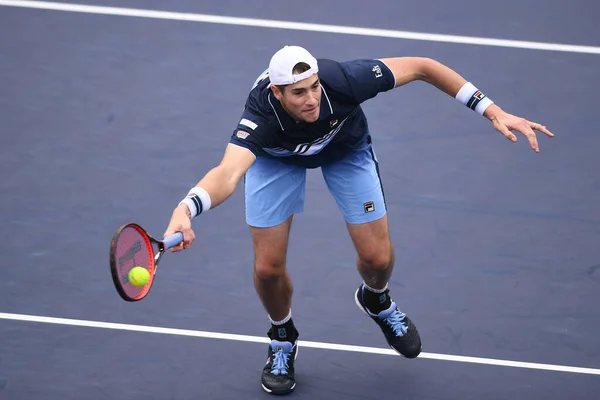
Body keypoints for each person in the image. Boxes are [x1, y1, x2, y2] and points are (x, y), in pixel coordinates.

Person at [163, 45, 554, 395]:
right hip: (276, 160)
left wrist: (492, 110)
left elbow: (422, 66)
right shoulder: (260, 117)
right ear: (276, 93)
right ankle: (282, 336)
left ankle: (376, 300)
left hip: (345, 149)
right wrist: (187, 208)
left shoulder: (344, 80)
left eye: (313, 86)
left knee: (378, 260)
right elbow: (228, 173)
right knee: (267, 269)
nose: (311, 98)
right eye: (298, 92)